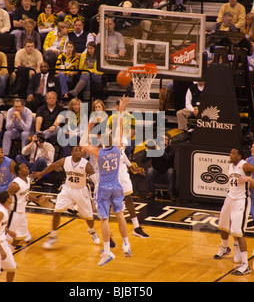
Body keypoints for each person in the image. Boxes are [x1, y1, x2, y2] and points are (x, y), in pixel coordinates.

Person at [80, 95, 132, 266]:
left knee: (104, 219)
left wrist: (89, 124)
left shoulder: (98, 153)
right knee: (120, 215)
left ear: (101, 142)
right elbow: (119, 129)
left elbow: (82, 143)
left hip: (103, 187)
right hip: (117, 186)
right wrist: (121, 111)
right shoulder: (117, 149)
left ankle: (107, 251)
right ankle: (126, 245)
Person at [32, 145, 101, 249]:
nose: (78, 151)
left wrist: (101, 190)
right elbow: (53, 165)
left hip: (81, 191)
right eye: (76, 150)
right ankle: (53, 235)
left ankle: (91, 231)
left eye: (80, 150)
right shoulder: (65, 160)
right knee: (57, 211)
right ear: (71, 153)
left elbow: (95, 180)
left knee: (89, 217)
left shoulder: (86, 164)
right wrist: (42, 173)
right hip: (67, 189)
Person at [214, 147, 254, 276]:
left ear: (239, 156)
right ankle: (225, 248)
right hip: (230, 198)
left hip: (241, 200)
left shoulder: (245, 166)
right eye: (231, 152)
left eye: (233, 153)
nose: (230, 154)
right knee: (222, 225)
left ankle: (245, 265)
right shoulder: (230, 166)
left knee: (238, 232)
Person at [7, 163, 45, 245]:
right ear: (19, 171)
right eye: (24, 167)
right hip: (14, 213)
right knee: (8, 238)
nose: (27, 167)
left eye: (26, 166)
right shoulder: (15, 185)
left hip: (22, 212)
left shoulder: (27, 179)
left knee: (20, 238)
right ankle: (1, 254)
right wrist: (4, 213)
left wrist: (37, 199)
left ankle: (9, 253)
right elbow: (6, 198)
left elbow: (26, 193)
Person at [141, 133, 177, 201]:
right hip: (156, 175)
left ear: (169, 141)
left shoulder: (171, 150)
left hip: (167, 175)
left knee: (171, 171)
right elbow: (143, 160)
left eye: (166, 139)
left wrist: (157, 148)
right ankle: (150, 192)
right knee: (150, 170)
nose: (164, 141)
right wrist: (146, 150)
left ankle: (171, 192)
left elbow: (167, 157)